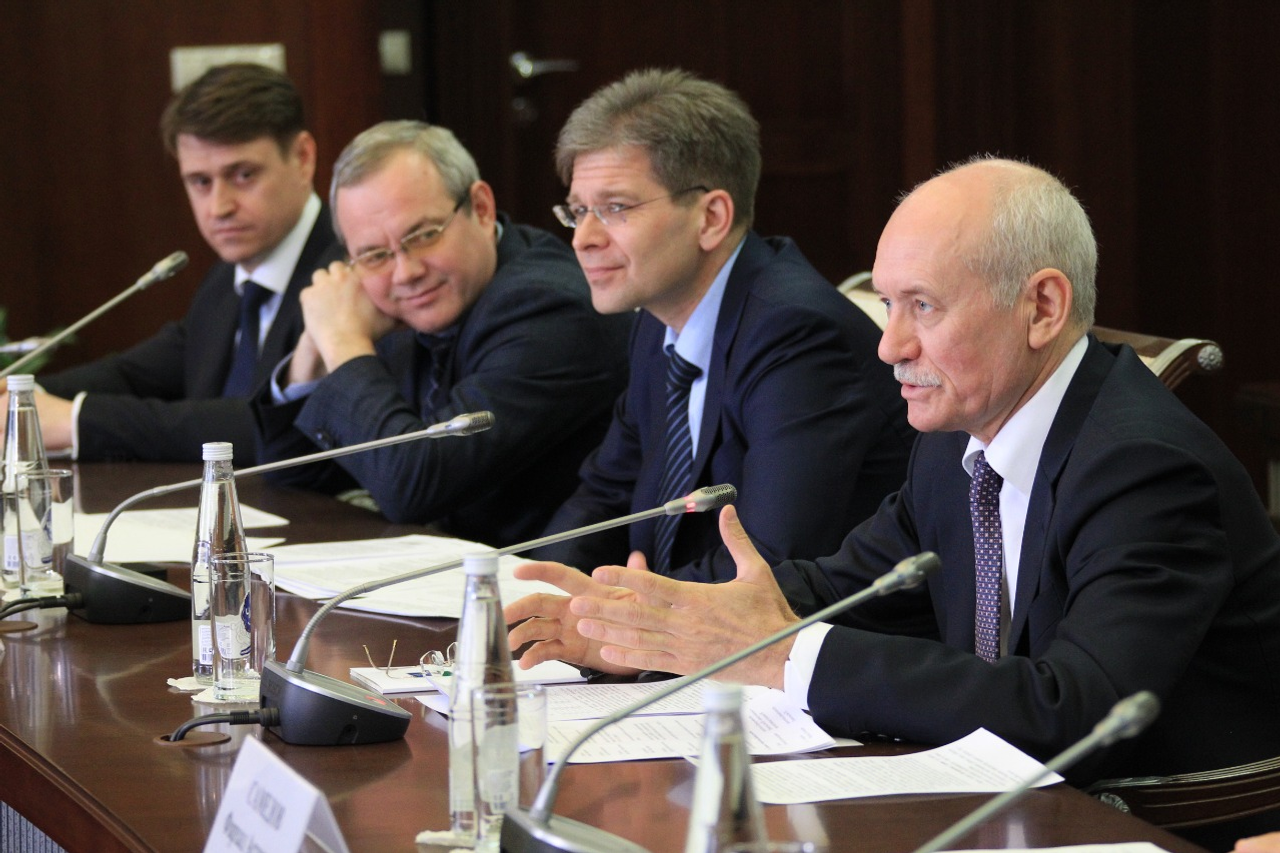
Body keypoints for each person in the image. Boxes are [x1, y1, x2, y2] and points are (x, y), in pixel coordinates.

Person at [507, 157, 1280, 845]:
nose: (890, 346)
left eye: (924, 307)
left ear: (1043, 307)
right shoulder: (956, 437)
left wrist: (779, 654)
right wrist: (660, 625)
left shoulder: (1144, 466)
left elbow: (1072, 710)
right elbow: (850, 586)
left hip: (1155, 822)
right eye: (887, 304)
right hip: (1006, 806)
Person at [531, 69, 914, 581]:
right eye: (579, 211)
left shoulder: (796, 334)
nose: (583, 238)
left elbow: (766, 559)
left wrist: (631, 607)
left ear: (711, 217)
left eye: (615, 208)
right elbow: (606, 495)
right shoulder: (657, 320)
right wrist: (534, 588)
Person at [251, 121, 630, 547]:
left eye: (423, 236)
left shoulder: (548, 310)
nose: (406, 272)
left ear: (481, 209)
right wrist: (313, 346)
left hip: (540, 576)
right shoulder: (394, 304)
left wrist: (342, 344)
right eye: (374, 255)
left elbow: (412, 486)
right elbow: (290, 474)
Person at [8, 63, 341, 465]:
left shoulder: (345, 273)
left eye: (243, 175)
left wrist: (77, 422)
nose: (219, 207)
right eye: (200, 182)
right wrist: (21, 397)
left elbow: (274, 429)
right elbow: (132, 375)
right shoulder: (225, 282)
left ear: (303, 158)